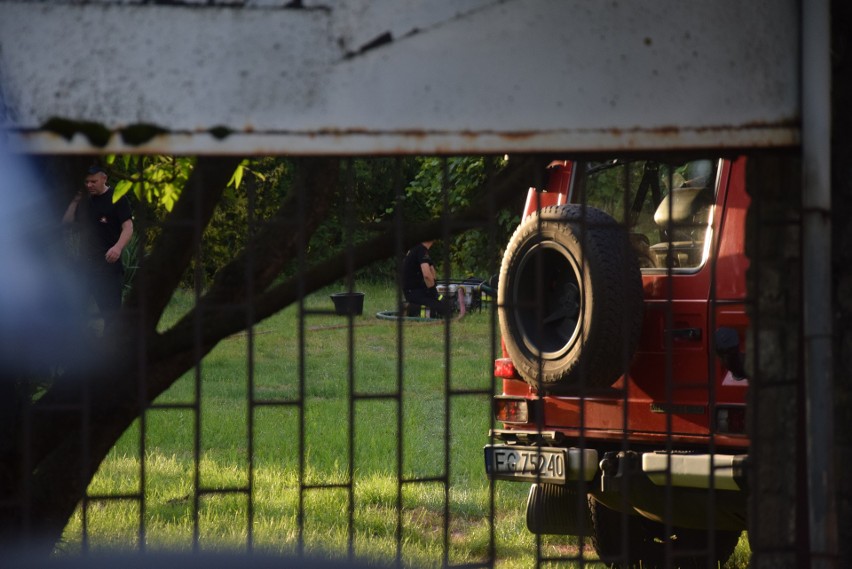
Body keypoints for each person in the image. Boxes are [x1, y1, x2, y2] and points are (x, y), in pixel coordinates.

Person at [62, 165, 134, 332]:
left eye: (93, 181)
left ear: (104, 178)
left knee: (111, 318)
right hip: (84, 267)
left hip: (108, 268)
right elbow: (66, 224)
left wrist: (118, 247)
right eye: (86, 182)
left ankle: (114, 352)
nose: (89, 185)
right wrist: (74, 200)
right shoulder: (85, 201)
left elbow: (128, 228)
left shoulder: (118, 198)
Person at [402, 240, 465, 318]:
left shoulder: (421, 249)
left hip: (417, 290)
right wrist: (432, 291)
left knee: (446, 305)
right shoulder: (421, 250)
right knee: (444, 311)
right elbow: (427, 275)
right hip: (414, 292)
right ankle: (410, 309)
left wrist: (434, 289)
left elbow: (431, 271)